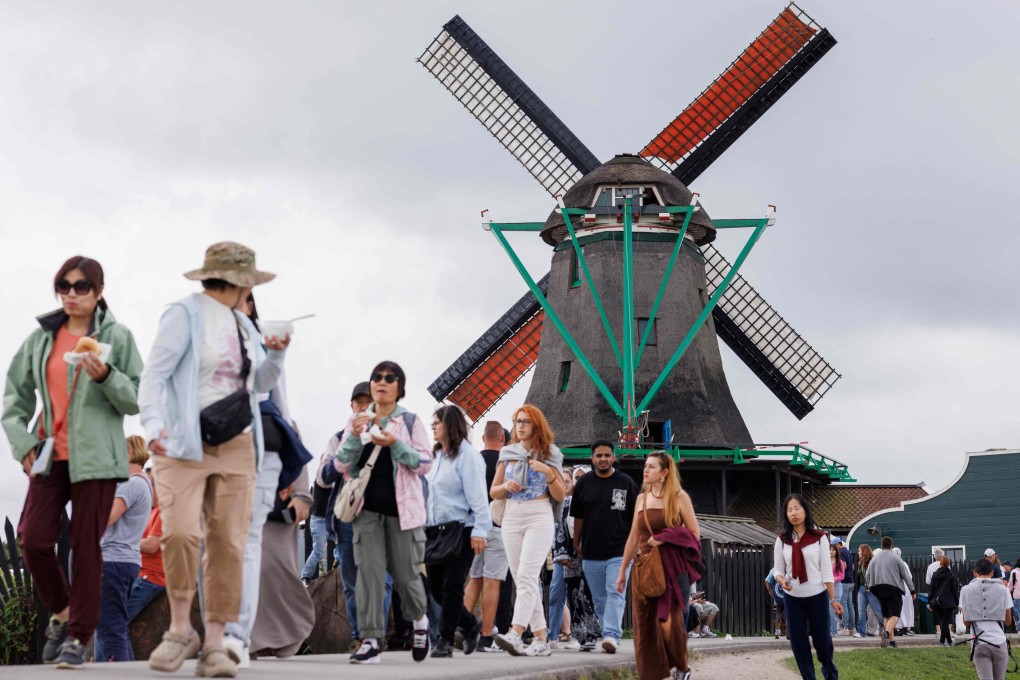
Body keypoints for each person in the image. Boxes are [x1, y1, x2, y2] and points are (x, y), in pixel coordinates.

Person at [138, 242, 288, 677]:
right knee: (182, 533)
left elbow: (258, 384)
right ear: (239, 281)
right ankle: (180, 629)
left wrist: (275, 353)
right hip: (181, 442)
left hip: (238, 444)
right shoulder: (183, 314)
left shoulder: (243, 324)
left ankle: (217, 643)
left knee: (228, 542)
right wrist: (152, 425)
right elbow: (155, 374)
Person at [3, 255, 143, 668]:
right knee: (32, 538)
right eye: (63, 285)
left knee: (85, 547)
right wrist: (24, 443)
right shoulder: (41, 338)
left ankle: (79, 638)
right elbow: (14, 398)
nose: (70, 293)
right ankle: (63, 612)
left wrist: (105, 376)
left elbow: (135, 396)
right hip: (49, 454)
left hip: (99, 458)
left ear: (98, 291)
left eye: (81, 286)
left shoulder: (117, 336)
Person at [220, 291, 312, 666]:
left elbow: (283, 412)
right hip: (223, 451)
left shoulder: (263, 347)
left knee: (271, 563)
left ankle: (287, 633)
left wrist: (301, 488)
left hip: (267, 454)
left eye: (243, 300)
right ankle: (239, 637)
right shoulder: (207, 346)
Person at [334, 361, 433, 665]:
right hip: (367, 511)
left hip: (403, 512)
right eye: (377, 377)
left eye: (390, 378)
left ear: (399, 388)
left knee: (405, 576)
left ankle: (419, 622)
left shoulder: (410, 421)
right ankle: (370, 641)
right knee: (370, 576)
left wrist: (396, 444)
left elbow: (425, 463)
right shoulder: (358, 420)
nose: (382, 382)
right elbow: (341, 465)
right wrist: (352, 436)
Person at [320, 381, 393, 648]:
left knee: (382, 580)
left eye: (367, 402)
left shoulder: (389, 437)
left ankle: (375, 635)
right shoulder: (337, 439)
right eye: (358, 402)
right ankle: (359, 636)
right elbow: (323, 479)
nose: (363, 407)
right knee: (351, 581)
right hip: (348, 517)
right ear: (351, 406)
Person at [617, 451, 701, 680]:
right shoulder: (642, 499)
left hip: (671, 568)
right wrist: (622, 571)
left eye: (652, 467)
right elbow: (633, 537)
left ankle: (682, 667)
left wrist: (666, 537)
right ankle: (652, 674)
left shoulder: (678, 497)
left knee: (667, 623)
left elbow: (694, 533)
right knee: (644, 627)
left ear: (664, 472)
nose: (646, 470)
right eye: (645, 465)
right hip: (644, 567)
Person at [491, 404, 565, 657]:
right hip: (511, 515)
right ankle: (541, 639)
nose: (519, 426)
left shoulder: (550, 454)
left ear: (536, 425)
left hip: (538, 514)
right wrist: (505, 487)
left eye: (525, 421)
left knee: (526, 575)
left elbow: (560, 494)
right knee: (525, 579)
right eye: (517, 421)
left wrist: (548, 473)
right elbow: (494, 490)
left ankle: (515, 632)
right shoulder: (508, 452)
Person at [423, 405, 492, 657]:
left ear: (450, 425)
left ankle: (445, 640)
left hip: (462, 529)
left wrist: (480, 531)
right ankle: (470, 623)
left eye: (436, 423)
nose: (433, 427)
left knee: (452, 587)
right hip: (435, 530)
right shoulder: (436, 457)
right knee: (435, 588)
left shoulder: (468, 457)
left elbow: (479, 497)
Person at [570, 439, 639, 654]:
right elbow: (578, 516)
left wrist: (635, 545)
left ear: (614, 457)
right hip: (592, 551)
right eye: (599, 456)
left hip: (619, 550)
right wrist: (576, 541)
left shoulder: (626, 483)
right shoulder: (584, 483)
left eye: (607, 455)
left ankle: (611, 635)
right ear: (592, 458)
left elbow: (636, 518)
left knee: (615, 592)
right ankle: (608, 631)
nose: (603, 459)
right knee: (600, 600)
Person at [94, 435, 152, 662]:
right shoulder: (144, 483)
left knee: (110, 629)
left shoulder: (131, 483)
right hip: (125, 560)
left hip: (113, 560)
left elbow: (107, 517)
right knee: (115, 627)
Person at [773, 494, 841, 680]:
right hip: (793, 597)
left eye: (797, 508)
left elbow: (827, 572)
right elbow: (778, 570)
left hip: (817, 596)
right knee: (798, 643)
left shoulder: (819, 538)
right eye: (789, 510)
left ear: (805, 510)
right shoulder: (782, 540)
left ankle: (829, 672)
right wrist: (781, 580)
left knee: (822, 642)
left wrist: (833, 599)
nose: (793, 513)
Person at [249, 467, 314, 657]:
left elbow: (297, 460)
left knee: (276, 569)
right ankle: (246, 639)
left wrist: (302, 496)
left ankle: (291, 631)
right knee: (242, 574)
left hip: (277, 507)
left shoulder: (288, 434)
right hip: (240, 503)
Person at [463, 420, 511, 652]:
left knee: (474, 580)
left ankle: (461, 629)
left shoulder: (473, 461)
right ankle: (487, 637)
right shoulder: (507, 465)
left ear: (483, 438)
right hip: (498, 526)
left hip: (473, 528)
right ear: (503, 439)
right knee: (494, 582)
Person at [550, 466, 601, 651]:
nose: (580, 480)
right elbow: (561, 529)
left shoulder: (595, 500)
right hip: (571, 557)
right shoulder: (566, 503)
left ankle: (593, 633)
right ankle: (580, 635)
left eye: (583, 477)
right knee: (573, 595)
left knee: (588, 594)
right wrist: (562, 553)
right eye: (576, 477)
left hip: (593, 555)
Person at [961, 558, 1013, 680]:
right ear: (992, 572)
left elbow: (966, 622)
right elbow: (1008, 621)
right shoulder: (1003, 590)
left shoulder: (965, 590)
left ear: (974, 572)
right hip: (999, 641)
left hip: (979, 643)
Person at [126, 463, 165, 622]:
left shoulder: (163, 511)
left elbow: (151, 546)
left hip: (150, 578)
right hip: (140, 574)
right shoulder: (152, 510)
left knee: (109, 621)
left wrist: (123, 541)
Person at [865, 536, 915, 648]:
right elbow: (905, 575)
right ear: (891, 546)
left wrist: (869, 586)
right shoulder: (896, 558)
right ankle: (886, 633)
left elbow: (867, 574)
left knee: (886, 615)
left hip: (878, 589)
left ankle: (892, 642)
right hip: (893, 589)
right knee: (895, 614)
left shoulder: (874, 558)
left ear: (881, 545)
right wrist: (912, 590)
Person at [302, 454, 333, 586]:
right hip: (319, 520)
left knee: (324, 552)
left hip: (329, 519)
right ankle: (305, 575)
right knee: (319, 550)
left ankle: (323, 576)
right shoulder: (320, 478)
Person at [928, 556, 961, 646]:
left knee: (943, 621)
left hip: (937, 602)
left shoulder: (935, 574)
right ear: (948, 564)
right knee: (945, 621)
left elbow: (931, 589)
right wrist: (957, 603)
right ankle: (942, 642)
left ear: (940, 563)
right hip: (948, 602)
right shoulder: (951, 575)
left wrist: (930, 601)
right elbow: (955, 590)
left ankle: (949, 641)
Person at [832, 537, 857, 636]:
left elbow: (844, 565)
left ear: (838, 544)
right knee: (850, 605)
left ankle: (844, 627)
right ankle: (852, 628)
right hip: (851, 581)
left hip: (844, 582)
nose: (833, 550)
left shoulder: (841, 553)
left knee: (843, 605)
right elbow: (853, 567)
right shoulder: (848, 552)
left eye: (834, 547)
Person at [855, 544, 882, 637]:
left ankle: (888, 629)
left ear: (864, 551)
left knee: (877, 610)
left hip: (871, 589)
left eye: (859, 551)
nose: (858, 552)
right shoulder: (860, 562)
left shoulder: (871, 562)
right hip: (862, 588)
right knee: (861, 611)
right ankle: (861, 632)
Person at [828, 541, 846, 637]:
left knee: (832, 609)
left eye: (833, 550)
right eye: (829, 550)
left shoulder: (840, 562)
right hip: (826, 587)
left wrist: (831, 580)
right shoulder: (825, 562)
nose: (831, 552)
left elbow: (842, 576)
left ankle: (833, 631)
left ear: (836, 552)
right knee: (827, 610)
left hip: (836, 587)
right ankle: (829, 630)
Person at [766, 568, 786, 639]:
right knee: (789, 614)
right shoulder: (788, 568)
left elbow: (767, 580)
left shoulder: (774, 570)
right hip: (787, 596)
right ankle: (790, 633)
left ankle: (777, 632)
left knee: (778, 614)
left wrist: (770, 591)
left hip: (777, 596)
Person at [1007, 557, 1020, 634]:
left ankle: (1019, 629)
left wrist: (1008, 591)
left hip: (1017, 596)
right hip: (1017, 596)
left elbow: (1010, 585)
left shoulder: (1014, 572)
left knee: (1017, 613)